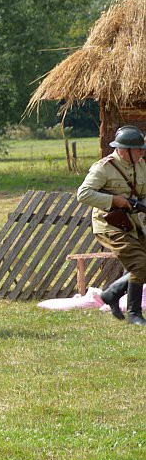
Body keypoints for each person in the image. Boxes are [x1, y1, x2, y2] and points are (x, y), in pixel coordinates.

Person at [76, 125, 146, 326]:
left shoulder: (141, 165)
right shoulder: (103, 167)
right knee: (139, 263)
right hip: (109, 225)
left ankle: (111, 293)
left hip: (132, 224)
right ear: (124, 150)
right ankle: (134, 314)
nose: (142, 151)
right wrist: (114, 199)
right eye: (139, 149)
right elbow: (83, 194)